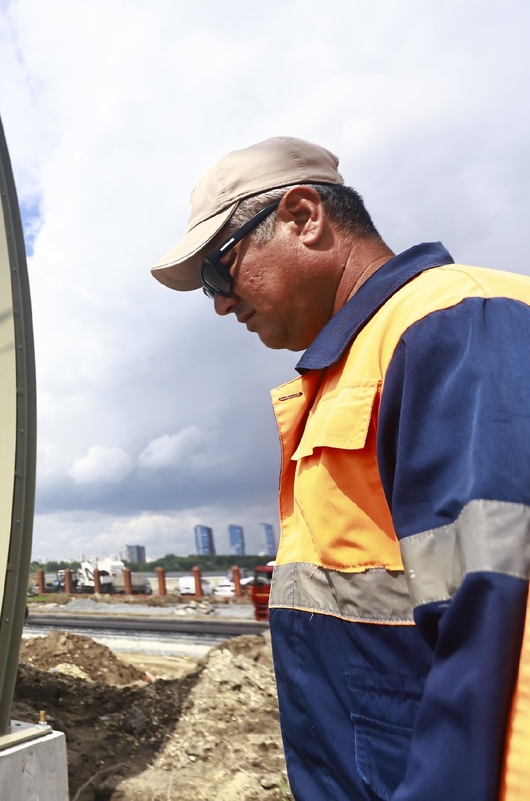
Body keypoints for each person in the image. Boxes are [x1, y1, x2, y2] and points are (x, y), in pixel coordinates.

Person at [151, 136, 530, 800]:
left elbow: (511, 632)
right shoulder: (343, 377)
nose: (218, 302)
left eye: (220, 269)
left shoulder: (453, 323)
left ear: (303, 216)